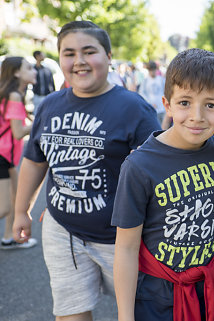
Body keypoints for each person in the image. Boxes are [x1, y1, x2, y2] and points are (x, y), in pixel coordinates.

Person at [13, 20, 160, 321]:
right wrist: (21, 211)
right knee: (70, 314)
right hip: (62, 232)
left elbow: (159, 172)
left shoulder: (135, 108)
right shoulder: (49, 106)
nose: (78, 61)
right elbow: (35, 161)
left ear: (108, 56)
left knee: (141, 314)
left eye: (89, 51)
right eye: (69, 53)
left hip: (123, 242)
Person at [112, 48, 214, 321]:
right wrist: (125, 315)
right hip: (156, 297)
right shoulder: (139, 166)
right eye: (184, 103)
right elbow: (126, 247)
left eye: (211, 105)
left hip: (209, 287)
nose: (197, 116)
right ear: (166, 105)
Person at [0, 56, 38, 250]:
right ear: (16, 72)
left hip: (7, 156)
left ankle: (9, 238)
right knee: (5, 206)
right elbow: (17, 132)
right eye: (29, 68)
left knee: (16, 199)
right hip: (3, 155)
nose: (35, 71)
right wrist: (40, 124)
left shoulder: (12, 94)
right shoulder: (14, 95)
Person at [32, 50, 56, 115]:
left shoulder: (47, 69)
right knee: (37, 113)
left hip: (47, 95)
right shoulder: (33, 70)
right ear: (37, 56)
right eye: (42, 55)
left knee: (48, 113)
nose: (43, 56)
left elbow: (52, 82)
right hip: (37, 95)